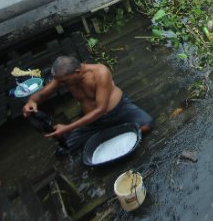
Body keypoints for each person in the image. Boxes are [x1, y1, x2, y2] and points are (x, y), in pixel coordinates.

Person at [22, 55, 153, 152]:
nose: (61, 85)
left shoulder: (100, 73)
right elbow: (41, 94)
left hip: (118, 110)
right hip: (92, 121)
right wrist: (31, 101)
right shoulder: (62, 78)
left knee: (147, 124)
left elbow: (101, 109)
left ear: (77, 72)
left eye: (64, 82)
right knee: (64, 150)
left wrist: (67, 128)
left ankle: (110, 132)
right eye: (60, 82)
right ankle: (103, 132)